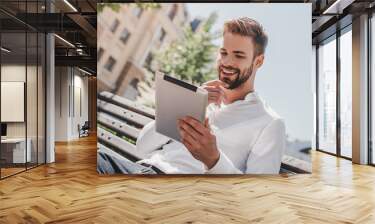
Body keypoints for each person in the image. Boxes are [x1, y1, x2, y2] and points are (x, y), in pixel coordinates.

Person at [97, 17, 286, 174]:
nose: (227, 62)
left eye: (238, 55)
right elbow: (142, 147)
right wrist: (188, 104)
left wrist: (214, 160)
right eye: (223, 53)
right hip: (142, 170)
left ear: (258, 61)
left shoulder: (269, 123)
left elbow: (256, 195)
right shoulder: (201, 97)